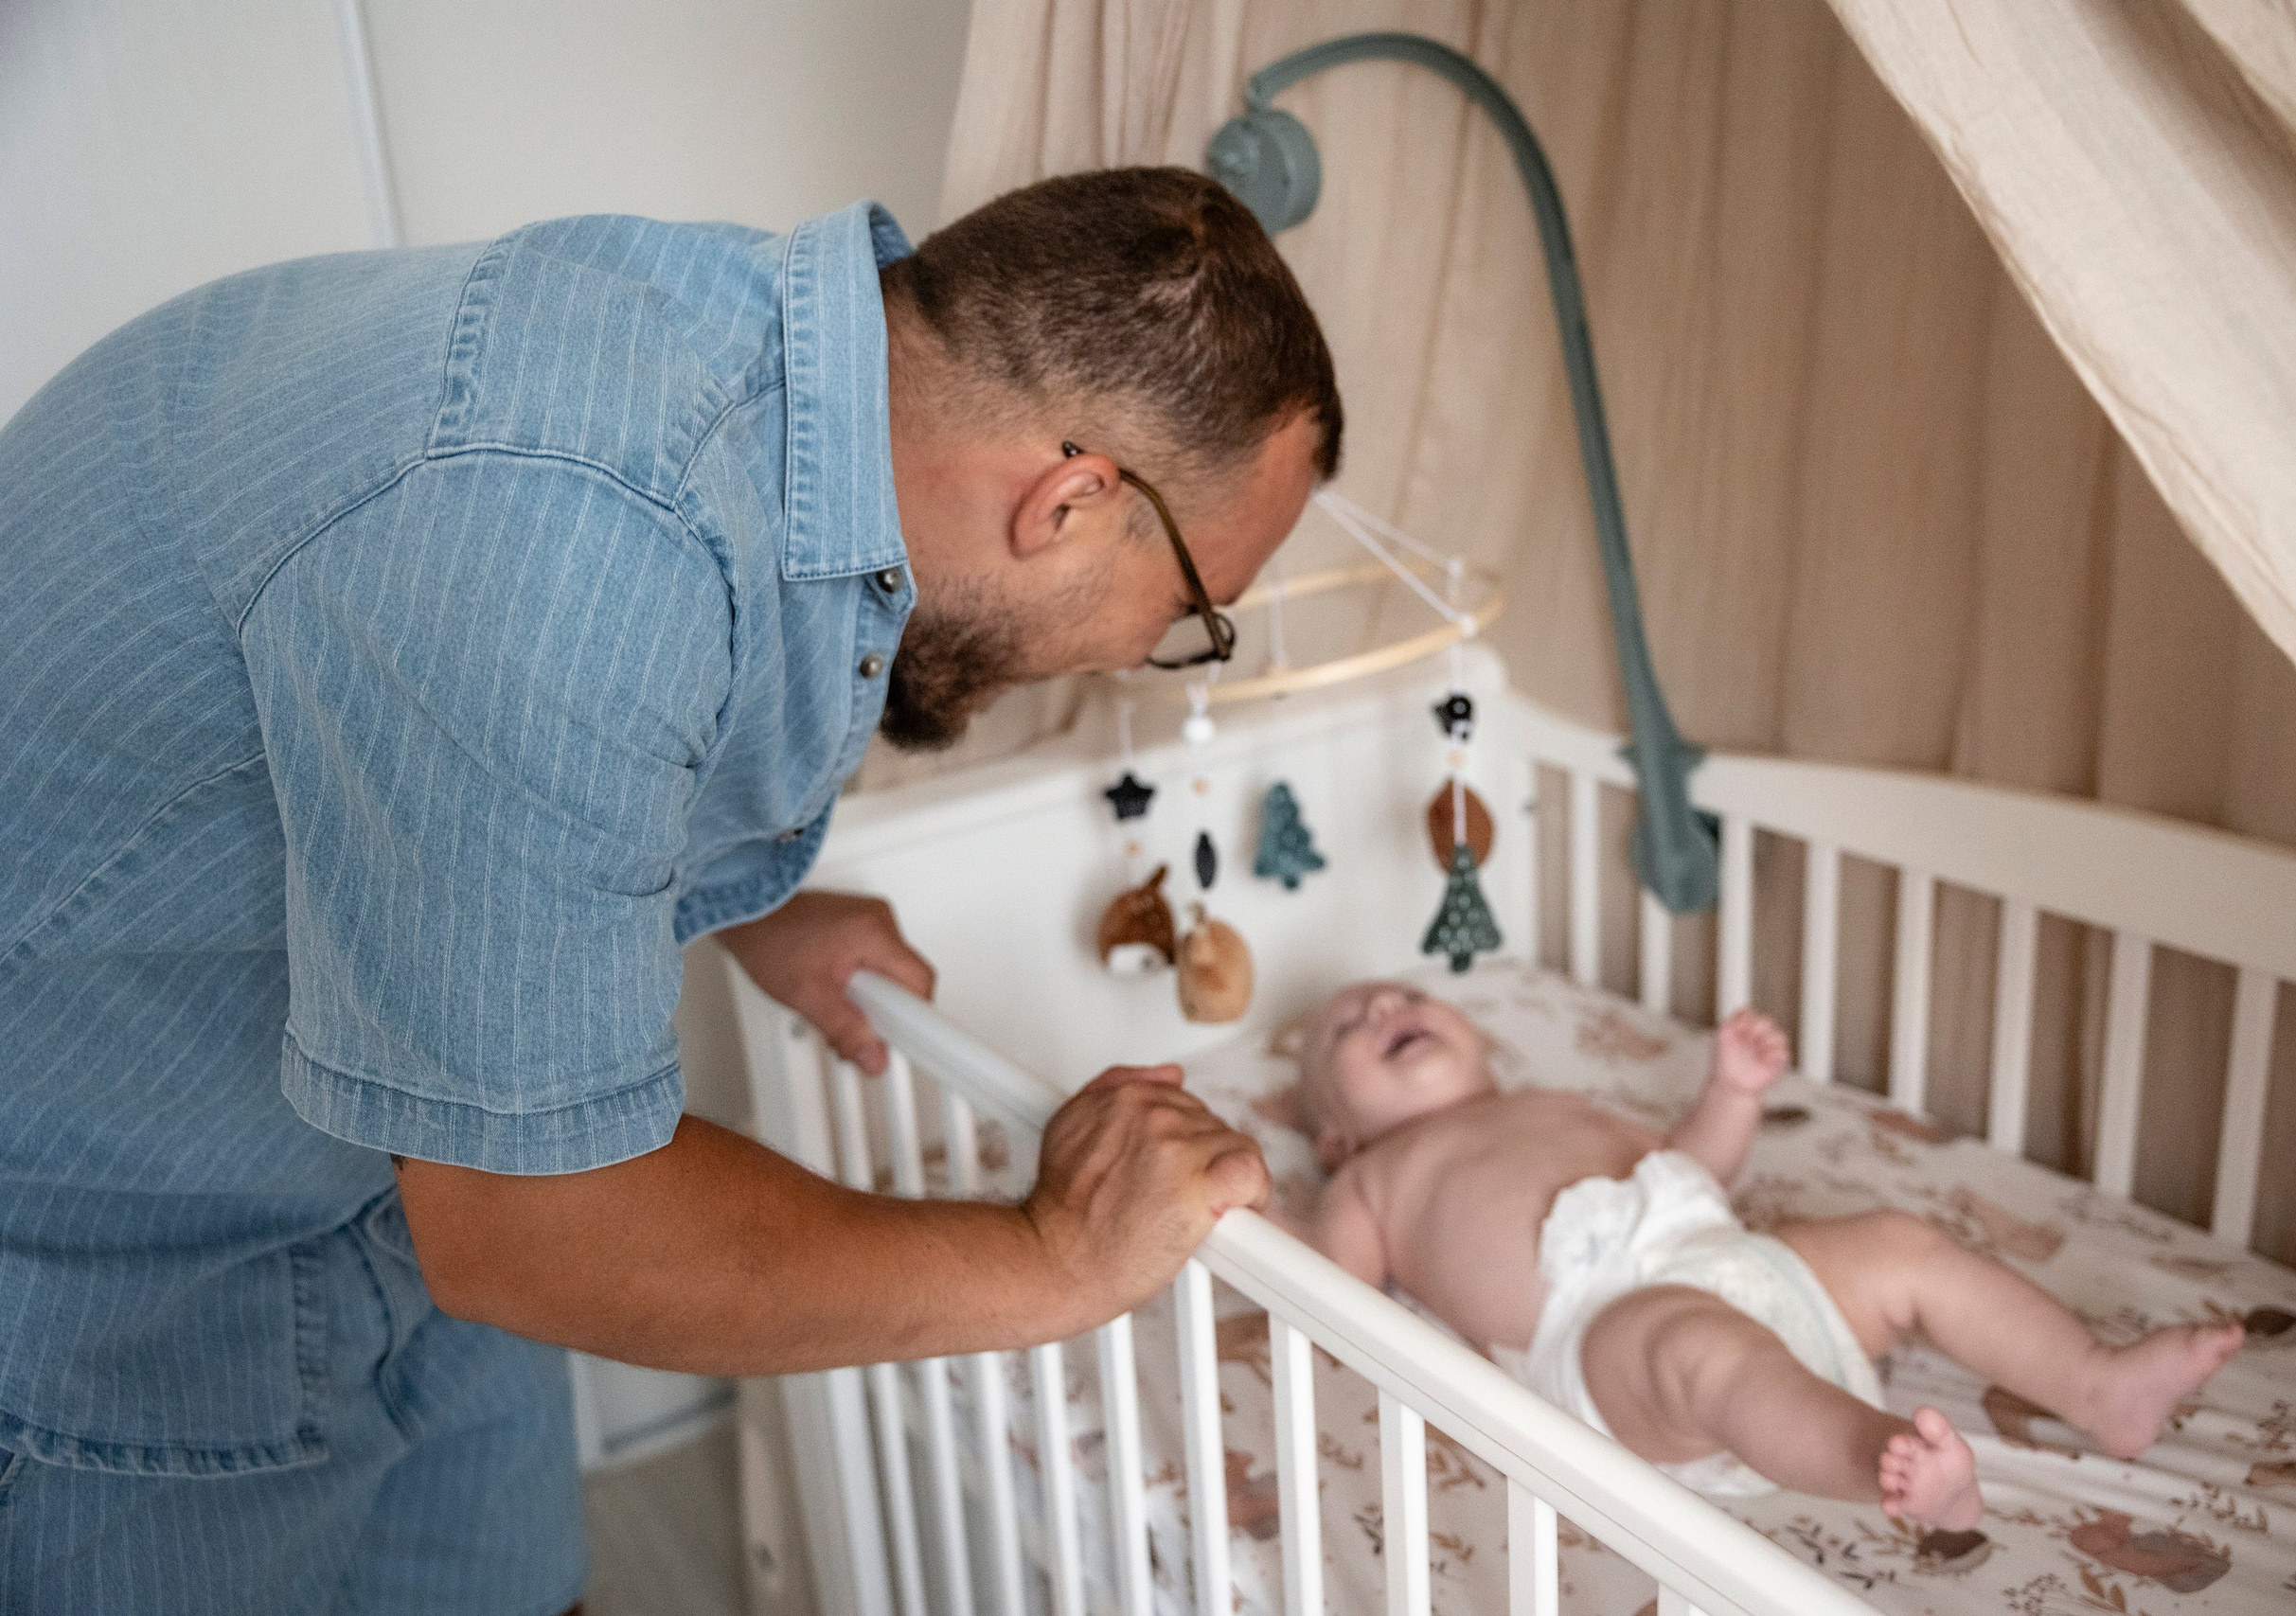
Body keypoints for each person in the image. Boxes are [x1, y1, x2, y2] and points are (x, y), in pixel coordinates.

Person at [0, 168, 1338, 1613]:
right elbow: (537, 1225)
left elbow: (444, 764)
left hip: (391, 1168)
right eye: (1189, 611)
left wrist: (744, 898)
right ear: (1070, 501)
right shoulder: (574, 539)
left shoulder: (779, 377)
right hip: (123, 1262)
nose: (1147, 654)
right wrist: (1050, 1258)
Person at [1293, 982, 2246, 1529]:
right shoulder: (1371, 1178)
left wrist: (1731, 1096)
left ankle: (2096, 1384)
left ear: (1483, 1048)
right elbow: (1327, 1294)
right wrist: (1250, 1217)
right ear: (1334, 1135)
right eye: (1348, 1026)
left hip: (1729, 1254)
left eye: (1408, 995)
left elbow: (1691, 1171)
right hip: (1603, 1337)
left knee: (1899, 1244)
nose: (1386, 1005)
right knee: (1703, 1353)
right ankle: (1891, 1463)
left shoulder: (1551, 1103)